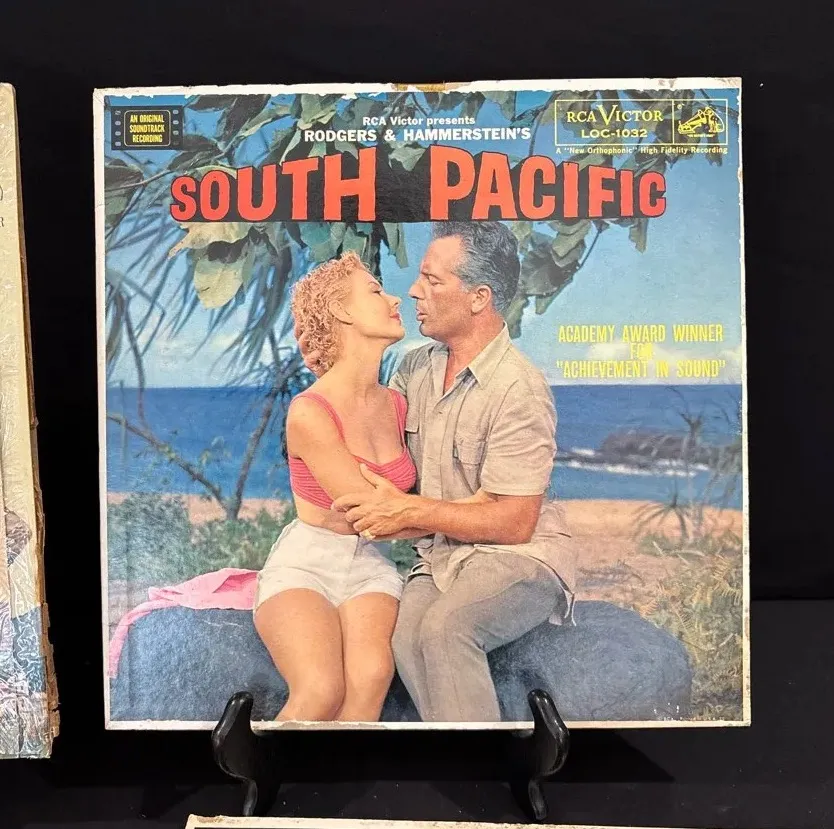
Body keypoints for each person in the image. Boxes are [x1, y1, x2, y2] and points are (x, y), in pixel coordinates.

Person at [303, 221, 576, 724]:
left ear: (478, 298)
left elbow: (515, 523)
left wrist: (408, 510)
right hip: (441, 556)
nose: (413, 291)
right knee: (405, 638)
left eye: (432, 280)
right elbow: (370, 434)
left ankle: (479, 769)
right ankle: (458, 756)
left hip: (519, 558)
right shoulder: (415, 368)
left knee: (447, 629)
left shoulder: (519, 389)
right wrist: (325, 374)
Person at [253, 250, 416, 723]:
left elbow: (397, 513)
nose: (395, 299)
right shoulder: (309, 412)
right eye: (376, 291)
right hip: (306, 564)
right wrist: (471, 516)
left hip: (370, 567)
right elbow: (371, 515)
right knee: (322, 690)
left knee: (370, 679)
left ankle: (342, 773)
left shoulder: (399, 405)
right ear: (341, 311)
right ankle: (262, 770)